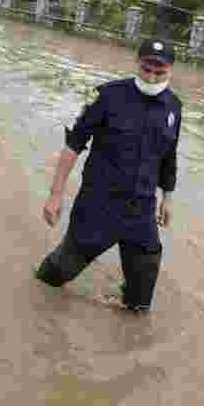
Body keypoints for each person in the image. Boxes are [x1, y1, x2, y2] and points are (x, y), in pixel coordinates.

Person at [35, 38, 182, 313]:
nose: (151, 77)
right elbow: (73, 145)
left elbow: (169, 157)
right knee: (53, 277)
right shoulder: (107, 96)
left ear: (171, 70)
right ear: (137, 63)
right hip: (98, 206)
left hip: (141, 212)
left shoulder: (174, 107)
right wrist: (55, 195)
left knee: (139, 305)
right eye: (146, 69)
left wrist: (168, 199)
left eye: (159, 72)